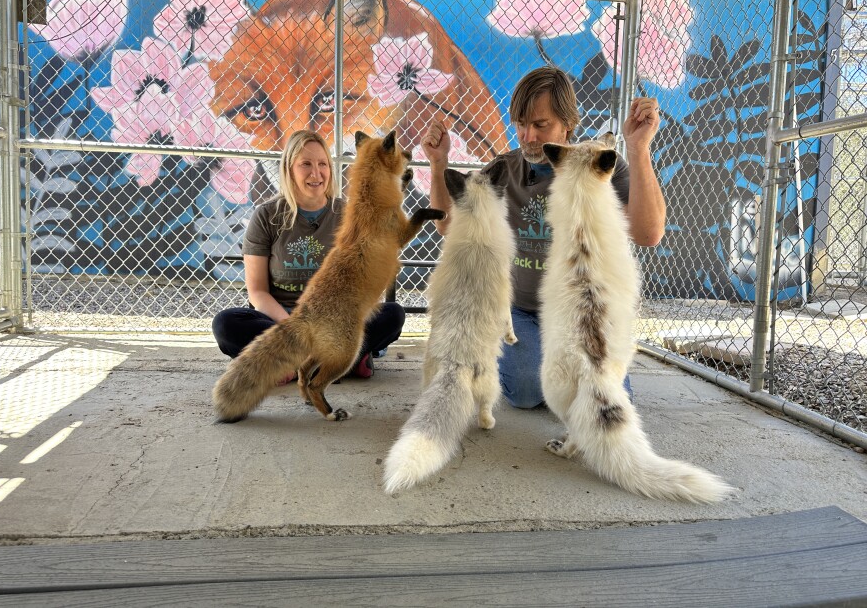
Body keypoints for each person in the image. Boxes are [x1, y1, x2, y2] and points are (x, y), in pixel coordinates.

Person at [421, 66, 666, 408]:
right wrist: (438, 164)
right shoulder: (505, 169)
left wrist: (639, 149)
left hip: (580, 313)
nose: (528, 136)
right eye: (520, 124)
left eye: (540, 125)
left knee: (604, 400)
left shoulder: (594, 164)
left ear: (567, 123)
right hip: (521, 312)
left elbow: (648, 233)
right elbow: (448, 226)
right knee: (527, 389)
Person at [212, 129, 405, 380]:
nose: (316, 173)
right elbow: (258, 292)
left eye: (322, 164)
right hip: (282, 321)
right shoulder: (266, 215)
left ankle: (290, 364)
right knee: (226, 324)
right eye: (306, 164)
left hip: (336, 323)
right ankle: (338, 362)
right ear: (289, 169)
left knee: (392, 315)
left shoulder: (349, 215)